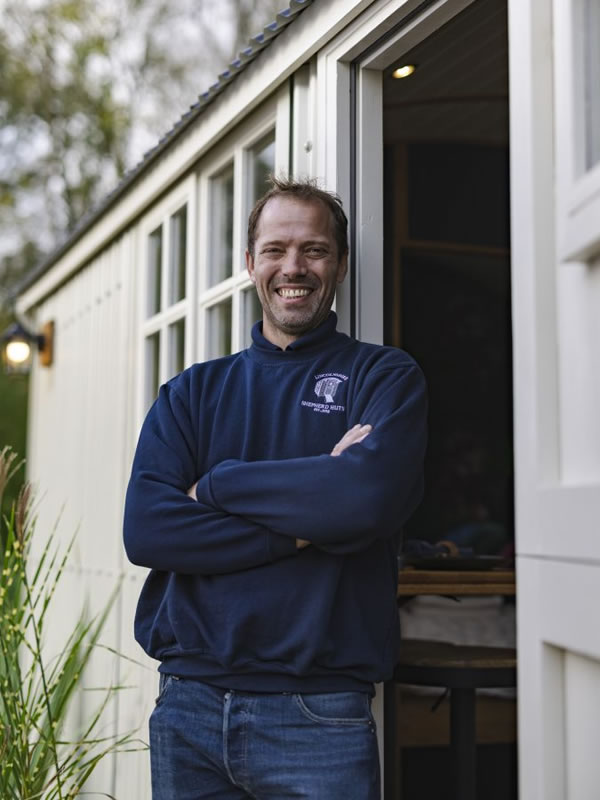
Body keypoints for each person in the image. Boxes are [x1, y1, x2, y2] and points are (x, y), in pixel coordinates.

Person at [123, 177, 427, 799]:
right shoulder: (191, 393)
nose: (294, 267)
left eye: (314, 250)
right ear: (250, 264)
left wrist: (216, 485)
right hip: (189, 707)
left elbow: (363, 499)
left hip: (319, 715)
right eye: (276, 250)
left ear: (339, 266)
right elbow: (149, 528)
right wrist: (303, 530)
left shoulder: (383, 376)